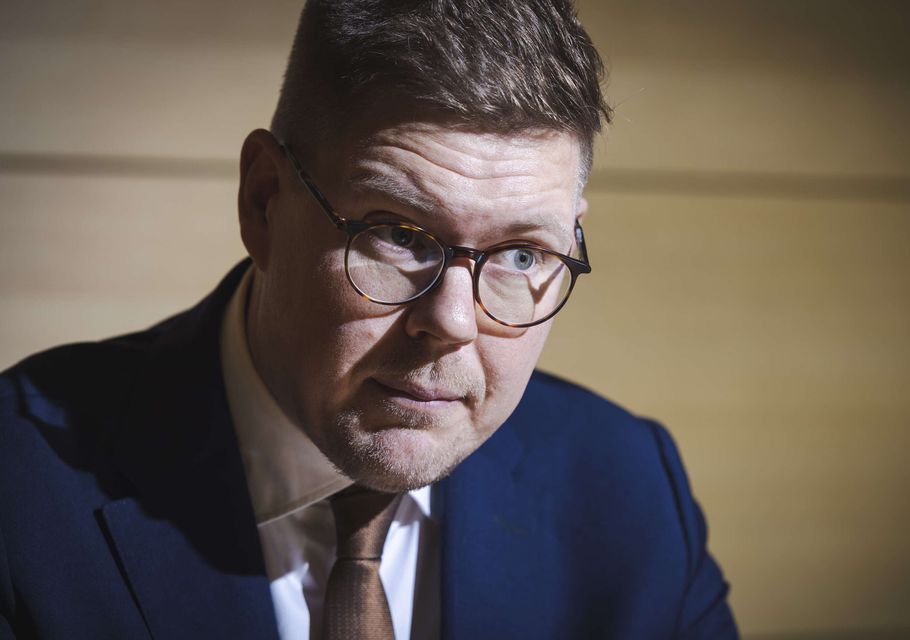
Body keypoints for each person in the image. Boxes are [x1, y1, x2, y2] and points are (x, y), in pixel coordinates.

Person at [0, 1, 738, 638]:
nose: (453, 322)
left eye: (521, 254)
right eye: (399, 235)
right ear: (264, 201)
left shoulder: (631, 490)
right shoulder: (18, 490)